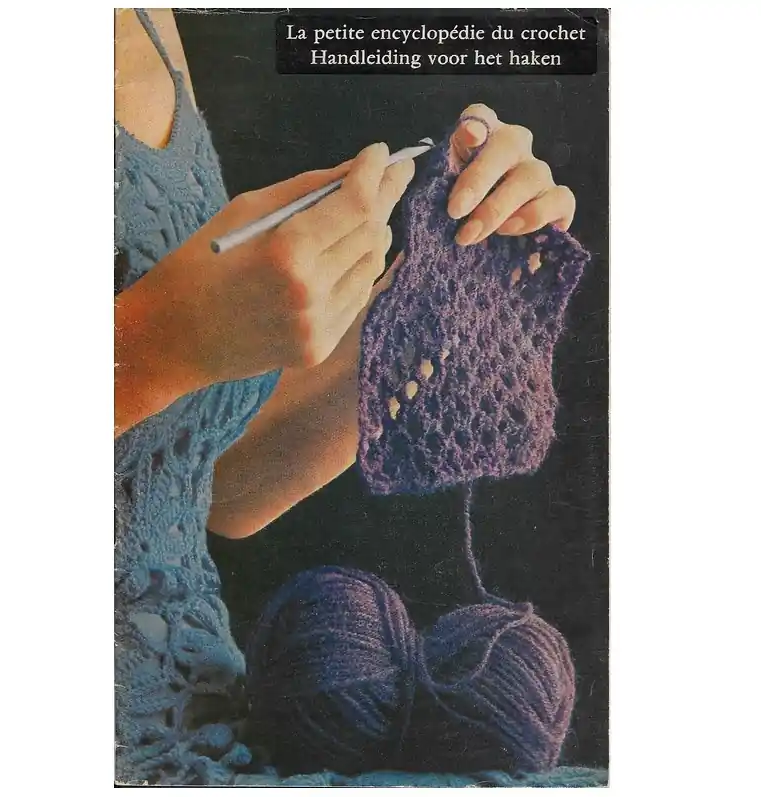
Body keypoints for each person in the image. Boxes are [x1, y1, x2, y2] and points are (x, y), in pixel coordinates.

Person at [114, 8, 578, 784]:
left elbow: (203, 483)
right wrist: (160, 342)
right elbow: (159, 362)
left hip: (208, 714)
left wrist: (440, 289)